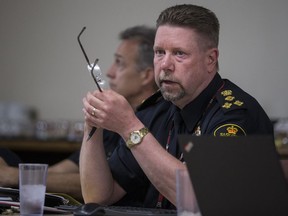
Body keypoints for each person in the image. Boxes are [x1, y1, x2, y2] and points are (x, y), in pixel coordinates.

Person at [80, 4, 274, 209]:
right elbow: (97, 196)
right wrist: (92, 124)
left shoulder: (234, 115)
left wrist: (130, 128)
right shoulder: (156, 111)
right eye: (159, 52)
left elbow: (205, 200)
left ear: (210, 60)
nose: (165, 65)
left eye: (179, 53)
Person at [0, 25, 157, 202]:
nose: (109, 72)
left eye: (119, 63)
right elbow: (58, 172)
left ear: (146, 75)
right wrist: (13, 173)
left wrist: (12, 177)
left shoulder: (154, 122)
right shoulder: (111, 123)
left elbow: (98, 186)